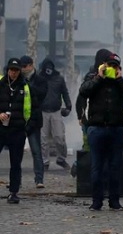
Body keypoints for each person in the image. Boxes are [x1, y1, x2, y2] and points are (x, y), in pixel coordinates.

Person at [79, 52, 123, 211]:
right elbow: (84, 91)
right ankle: (96, 201)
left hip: (116, 128)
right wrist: (98, 77)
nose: (112, 69)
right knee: (97, 167)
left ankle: (114, 201)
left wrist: (119, 80)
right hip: (97, 128)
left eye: (115, 66)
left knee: (115, 167)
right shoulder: (93, 78)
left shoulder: (121, 82)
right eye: (109, 65)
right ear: (103, 65)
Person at [1, 58, 35, 204]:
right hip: (1, 127)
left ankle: (13, 192)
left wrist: (26, 128)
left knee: (16, 163)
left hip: (17, 129)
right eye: (11, 70)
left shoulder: (25, 86)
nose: (13, 73)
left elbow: (32, 108)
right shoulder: (1, 84)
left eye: (16, 70)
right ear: (7, 70)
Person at [39, 57, 72, 171]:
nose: (48, 70)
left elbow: (65, 93)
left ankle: (61, 158)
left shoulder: (59, 79)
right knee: (43, 139)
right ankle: (44, 162)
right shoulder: (39, 79)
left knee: (59, 137)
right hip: (42, 111)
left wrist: (68, 106)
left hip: (56, 111)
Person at [20, 56, 47, 187]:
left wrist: (27, 86)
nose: (22, 69)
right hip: (19, 121)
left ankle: (39, 179)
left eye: (25, 66)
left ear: (31, 65)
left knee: (36, 151)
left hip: (34, 120)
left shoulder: (40, 80)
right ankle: (16, 180)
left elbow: (41, 95)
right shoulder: (18, 79)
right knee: (17, 152)